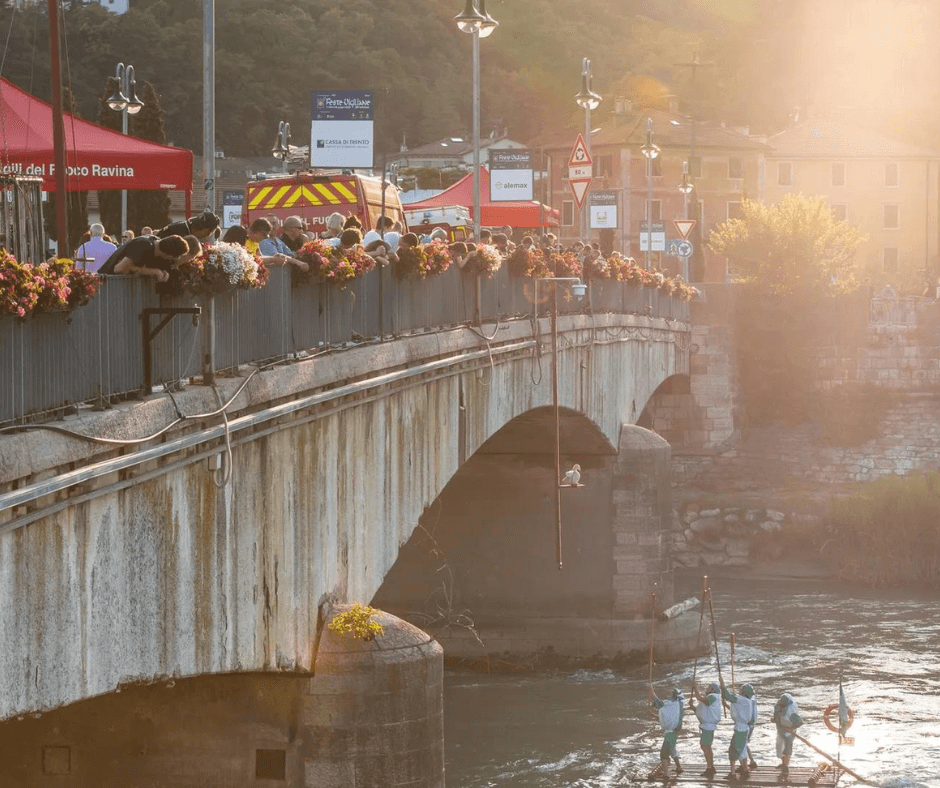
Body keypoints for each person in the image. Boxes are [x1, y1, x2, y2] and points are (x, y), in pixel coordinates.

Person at [98, 234, 189, 281]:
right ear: (168, 255)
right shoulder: (143, 245)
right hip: (106, 287)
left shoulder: (155, 242)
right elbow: (119, 269)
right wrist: (153, 272)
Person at [721, 681, 755, 779]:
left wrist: (722, 684)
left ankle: (733, 773)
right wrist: (728, 705)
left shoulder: (742, 699)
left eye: (741, 689)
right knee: (741, 750)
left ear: (744, 692)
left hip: (741, 729)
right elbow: (737, 709)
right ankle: (744, 771)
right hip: (743, 728)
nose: (739, 690)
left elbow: (728, 696)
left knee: (734, 750)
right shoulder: (746, 701)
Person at [649, 687, 684, 778]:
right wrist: (653, 714)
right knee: (672, 750)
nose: (670, 695)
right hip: (673, 732)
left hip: (670, 733)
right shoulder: (677, 706)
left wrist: (652, 692)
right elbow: (668, 717)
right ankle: (679, 767)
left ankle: (666, 774)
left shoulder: (673, 704)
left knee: (664, 754)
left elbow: (660, 704)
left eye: (672, 693)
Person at [690, 681, 722, 776]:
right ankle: (710, 767)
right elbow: (700, 711)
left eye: (708, 687)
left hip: (708, 725)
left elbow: (699, 698)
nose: (707, 689)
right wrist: (692, 706)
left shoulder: (713, 696)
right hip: (707, 725)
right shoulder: (711, 698)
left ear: (712, 689)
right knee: (706, 746)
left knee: (705, 746)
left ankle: (710, 767)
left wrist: (695, 687)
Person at [772, 693, 803, 780]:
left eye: (783, 706)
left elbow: (800, 722)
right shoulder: (777, 706)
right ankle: (783, 763)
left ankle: (786, 767)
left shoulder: (791, 711)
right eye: (780, 705)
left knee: (787, 748)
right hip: (780, 729)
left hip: (790, 730)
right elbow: (776, 717)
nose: (781, 707)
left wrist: (792, 728)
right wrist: (774, 720)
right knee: (779, 747)